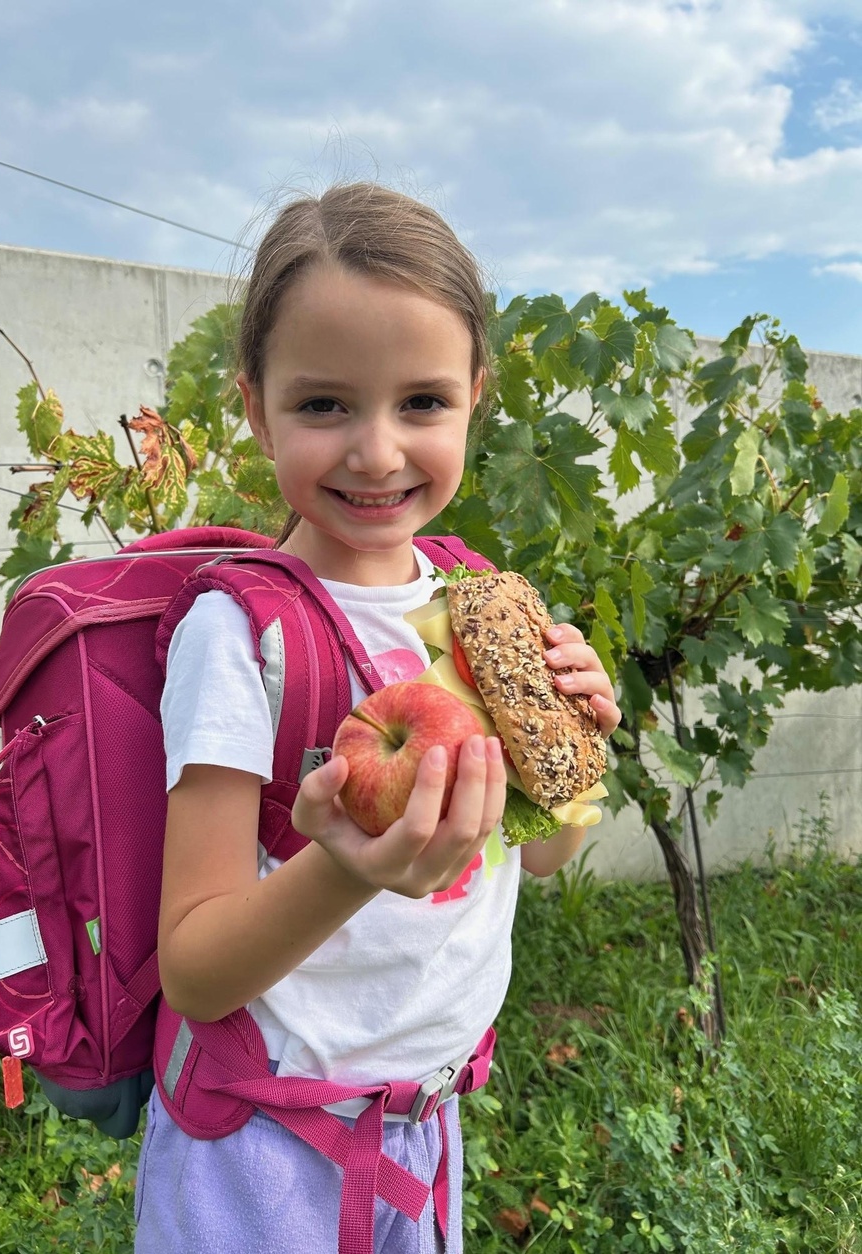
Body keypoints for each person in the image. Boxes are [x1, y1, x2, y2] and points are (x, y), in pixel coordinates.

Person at [134, 182, 621, 1253]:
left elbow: (537, 861)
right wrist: (346, 868)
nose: (376, 452)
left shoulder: (475, 600)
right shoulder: (241, 635)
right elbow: (197, 969)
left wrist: (576, 750)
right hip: (260, 1153)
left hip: (421, 1125)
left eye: (420, 403)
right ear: (254, 407)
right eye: (322, 405)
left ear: (473, 398)